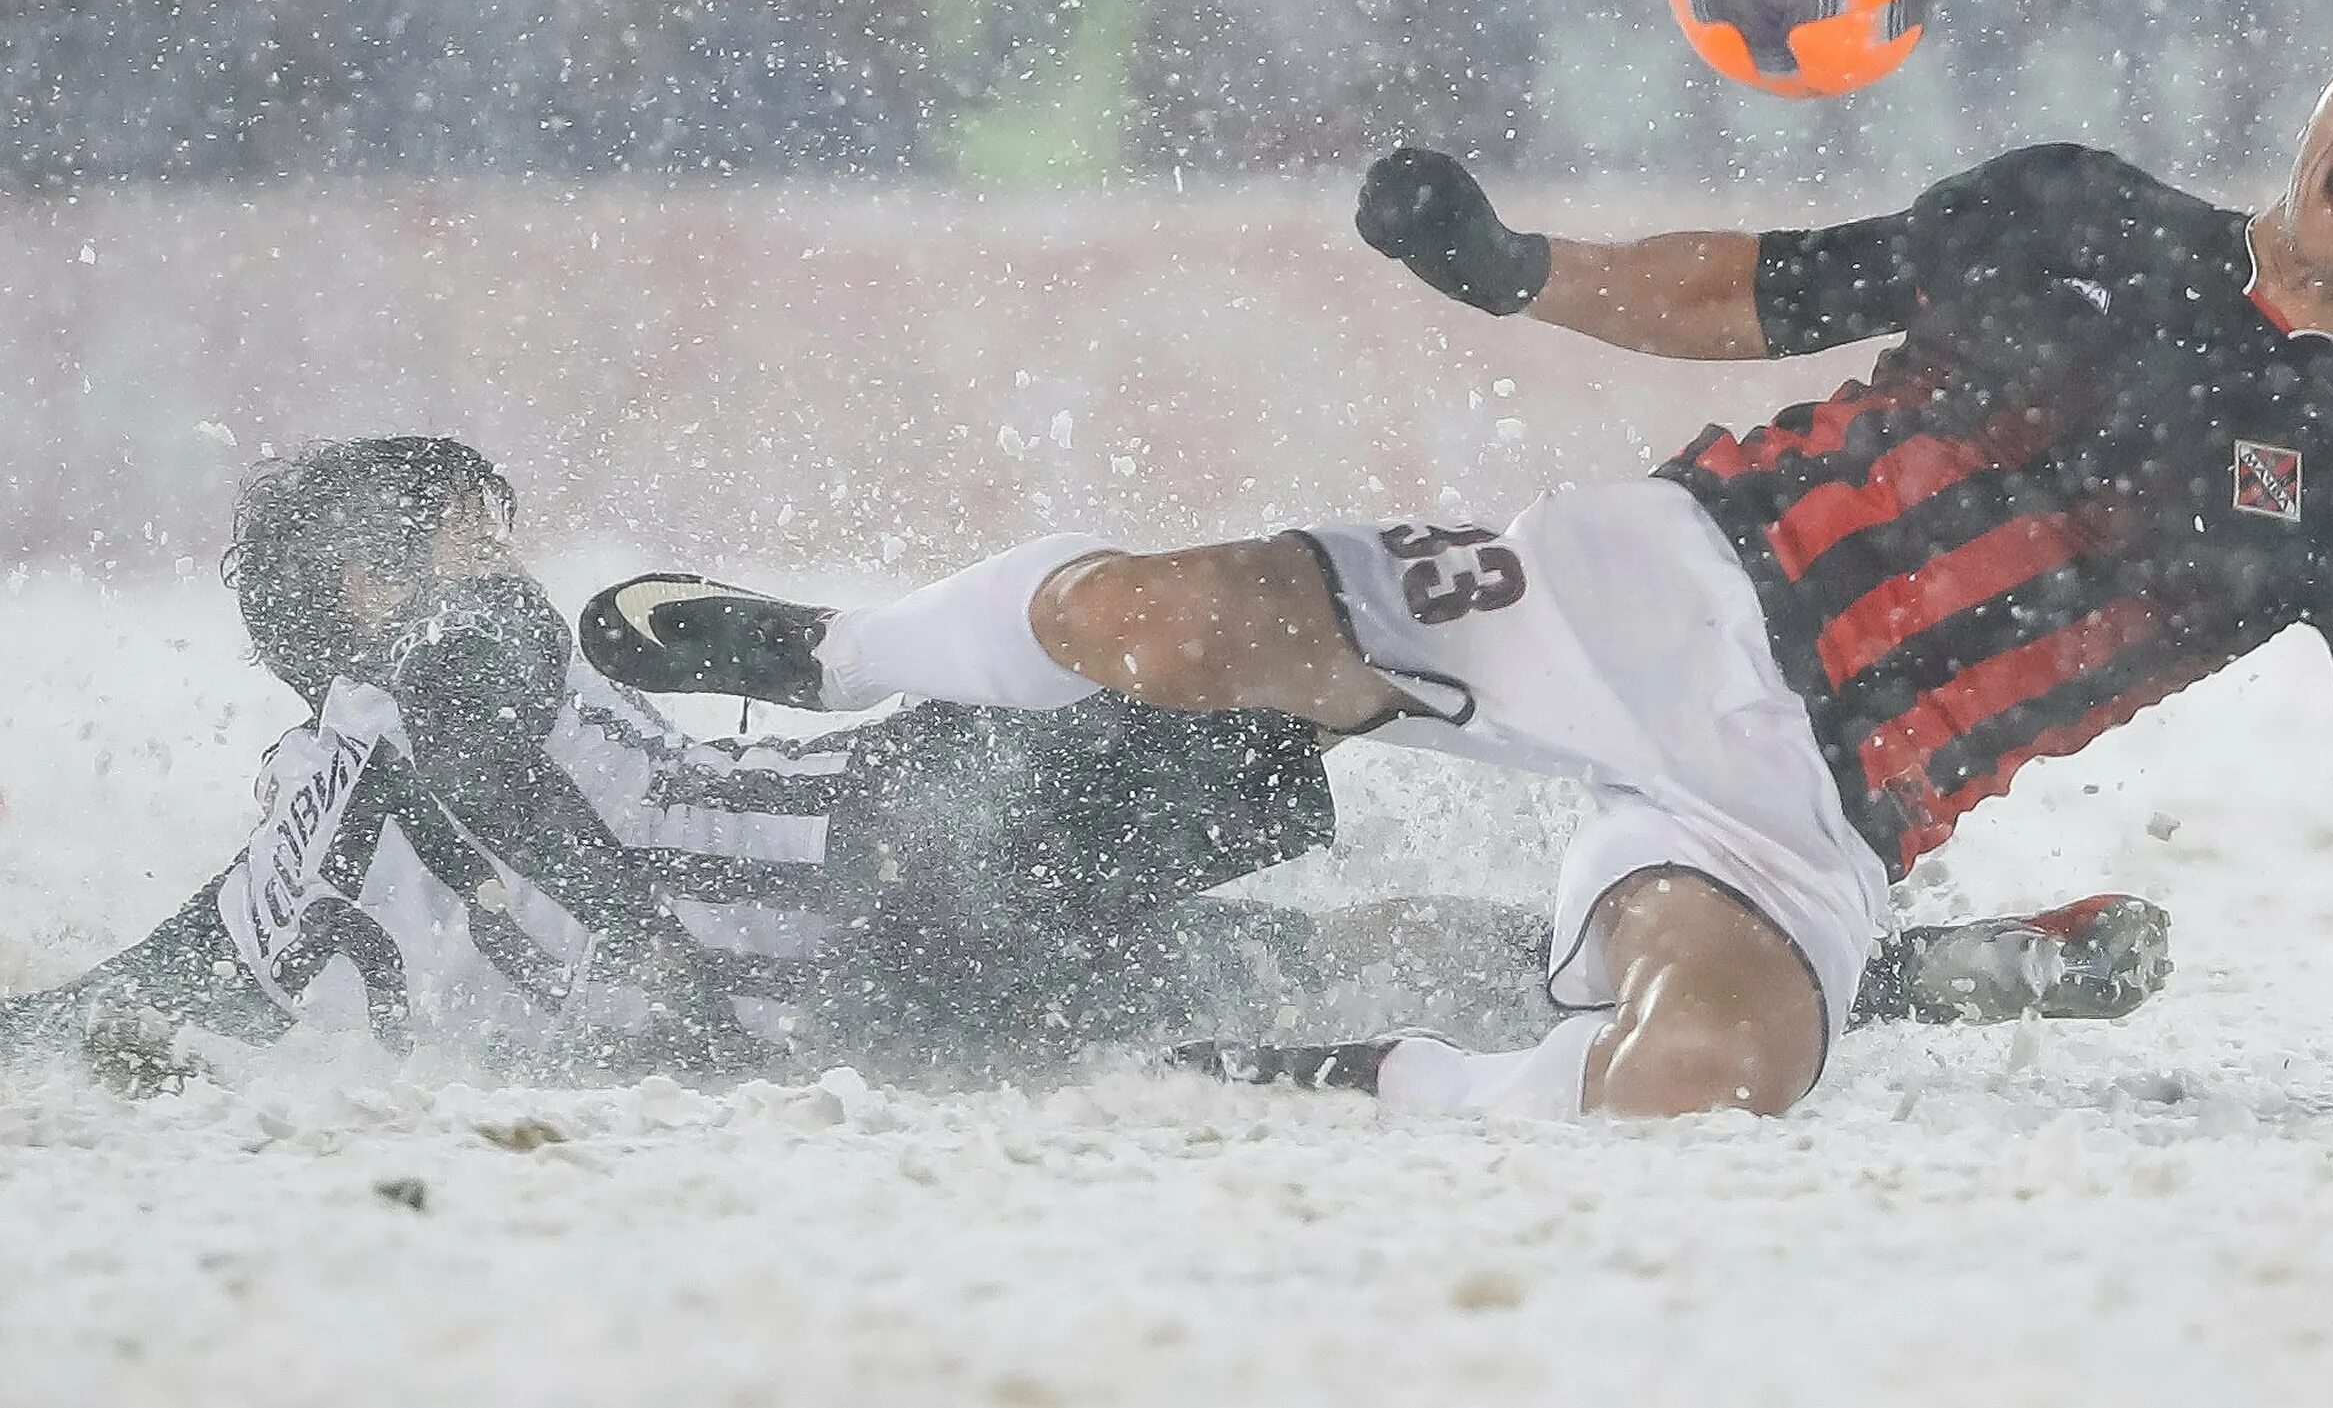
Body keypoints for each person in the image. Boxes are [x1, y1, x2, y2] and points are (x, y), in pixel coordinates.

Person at [594, 0, 2333, 1125]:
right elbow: (1762, 294)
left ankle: (1384, 1076)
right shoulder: (2074, 208)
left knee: (1692, 1082)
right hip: (1655, 577)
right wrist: (1515, 273)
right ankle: (833, 647)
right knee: (1157, 620)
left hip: (1818, 811)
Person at [3, 439, 2163, 1086]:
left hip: (872, 983)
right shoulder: (413, 692)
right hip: (889, 857)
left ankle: (1873, 972)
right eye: (443, 532)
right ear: (365, 599)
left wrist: (67, 1029)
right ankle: (1814, 908)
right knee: (1299, 680)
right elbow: (230, 942)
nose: (491, 550)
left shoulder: (390, 790)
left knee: (1344, 957)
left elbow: (206, 969)